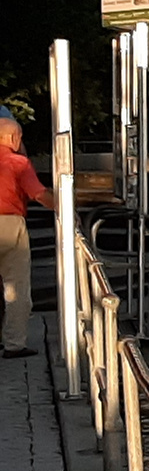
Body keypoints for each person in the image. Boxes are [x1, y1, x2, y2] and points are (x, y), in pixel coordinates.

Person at [0, 116, 57, 358]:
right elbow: (39, 194)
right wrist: (65, 206)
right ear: (14, 138)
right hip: (9, 224)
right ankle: (14, 344)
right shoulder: (17, 163)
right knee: (16, 287)